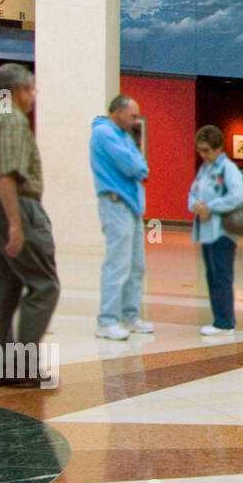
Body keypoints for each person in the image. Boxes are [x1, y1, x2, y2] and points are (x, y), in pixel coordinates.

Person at [0, 63, 59, 387]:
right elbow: (7, 173)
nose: (33, 97)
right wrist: (17, 225)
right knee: (45, 284)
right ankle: (24, 366)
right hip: (10, 204)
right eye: (31, 90)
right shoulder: (12, 119)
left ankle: (2, 367)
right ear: (19, 91)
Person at [90, 94, 151, 340]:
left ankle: (129, 315)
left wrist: (139, 165)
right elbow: (134, 166)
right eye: (133, 115)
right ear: (118, 112)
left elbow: (141, 164)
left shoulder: (123, 136)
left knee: (137, 265)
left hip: (132, 207)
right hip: (115, 205)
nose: (135, 120)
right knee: (117, 264)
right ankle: (106, 321)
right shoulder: (104, 134)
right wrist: (138, 165)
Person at [188, 124, 243, 337]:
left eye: (206, 151)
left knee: (222, 276)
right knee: (212, 276)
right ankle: (218, 319)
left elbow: (236, 196)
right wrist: (196, 205)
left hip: (222, 232)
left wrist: (210, 207)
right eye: (200, 150)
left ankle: (225, 322)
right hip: (206, 232)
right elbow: (193, 193)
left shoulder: (228, 169)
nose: (203, 155)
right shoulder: (205, 169)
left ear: (218, 148)